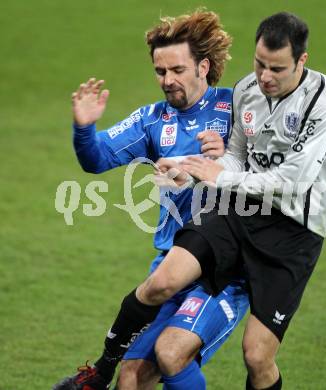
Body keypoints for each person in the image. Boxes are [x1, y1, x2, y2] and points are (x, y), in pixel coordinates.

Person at [118, 11, 326, 389]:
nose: (265, 77)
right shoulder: (247, 91)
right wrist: (192, 167)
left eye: (277, 68)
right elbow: (236, 154)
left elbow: (293, 181)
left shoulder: (324, 102)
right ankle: (103, 365)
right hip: (237, 212)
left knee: (257, 356)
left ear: (302, 61)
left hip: (292, 231)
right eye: (259, 64)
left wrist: (224, 176)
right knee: (162, 282)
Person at [53, 10, 249, 390]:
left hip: (224, 271)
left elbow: (273, 167)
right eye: (160, 72)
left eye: (177, 70)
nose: (167, 80)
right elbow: (96, 159)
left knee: (171, 354)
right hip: (171, 266)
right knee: (130, 379)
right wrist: (84, 127)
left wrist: (230, 153)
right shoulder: (152, 120)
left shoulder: (237, 109)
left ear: (203, 66)